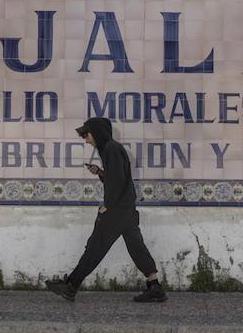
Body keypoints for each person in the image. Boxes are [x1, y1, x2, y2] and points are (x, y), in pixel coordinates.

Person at [45, 117, 167, 303]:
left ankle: (71, 286)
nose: (86, 139)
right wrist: (100, 172)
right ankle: (155, 286)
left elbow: (117, 182)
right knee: (136, 247)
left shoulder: (110, 149)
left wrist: (107, 205)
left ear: (98, 133)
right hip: (126, 209)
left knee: (94, 247)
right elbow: (116, 177)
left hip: (116, 210)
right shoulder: (111, 149)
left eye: (87, 134)